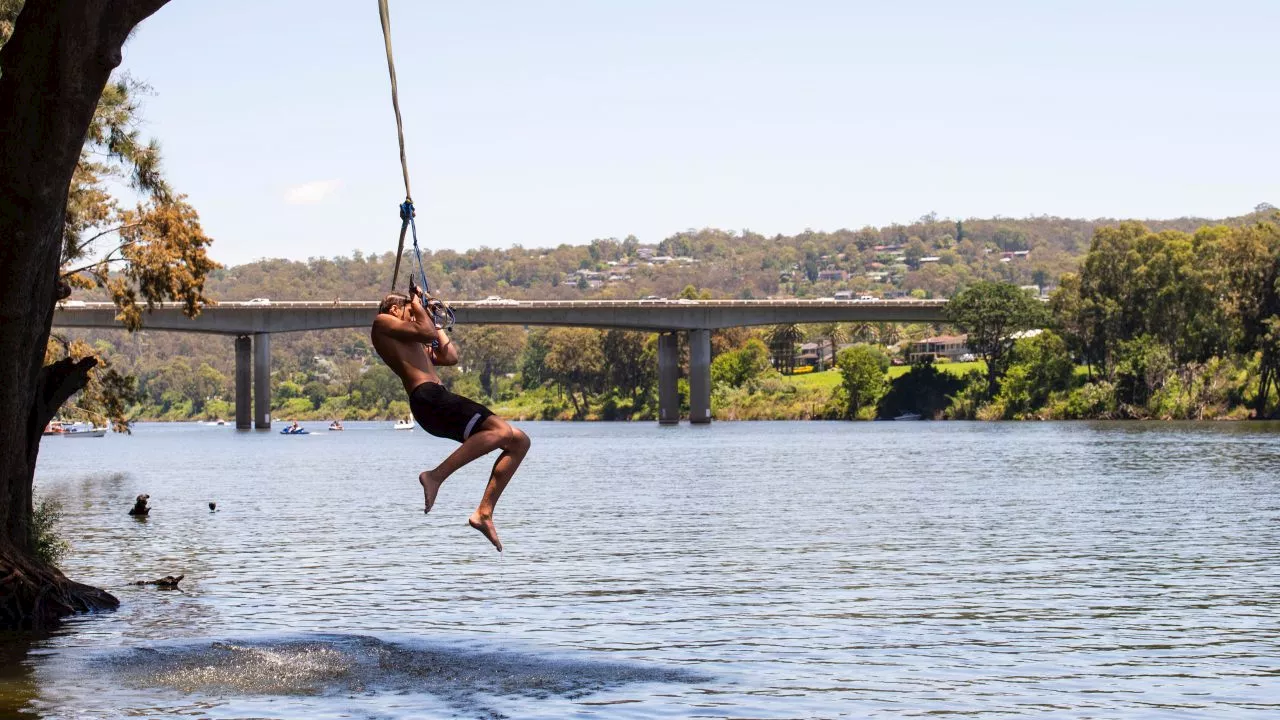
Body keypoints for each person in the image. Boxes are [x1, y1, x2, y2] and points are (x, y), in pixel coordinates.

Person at [371, 287, 530, 552]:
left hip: (436, 401)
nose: (415, 317)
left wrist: (429, 312)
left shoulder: (414, 339)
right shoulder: (383, 322)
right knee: (501, 431)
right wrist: (416, 303)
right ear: (395, 310)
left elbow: (450, 356)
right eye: (410, 312)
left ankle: (484, 513)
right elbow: (426, 331)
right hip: (427, 399)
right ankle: (434, 477)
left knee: (520, 442)